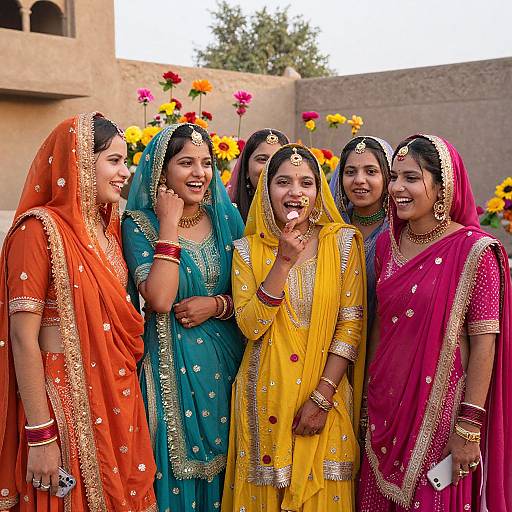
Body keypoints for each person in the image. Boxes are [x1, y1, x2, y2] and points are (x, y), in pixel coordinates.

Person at [0, 113, 157, 511]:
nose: (125, 172)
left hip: (118, 394)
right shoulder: (38, 231)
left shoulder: (108, 229)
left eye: (126, 161)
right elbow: (22, 337)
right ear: (79, 161)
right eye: (114, 161)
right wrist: (41, 434)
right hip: (62, 398)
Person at [358, 135, 512, 511]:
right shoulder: (386, 245)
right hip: (384, 409)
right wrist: (364, 403)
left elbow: (484, 345)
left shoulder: (476, 252)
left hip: (441, 416)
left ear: (444, 186)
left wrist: (468, 427)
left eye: (411, 178)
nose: (396, 189)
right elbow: (380, 327)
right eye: (394, 178)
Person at [222, 144, 367, 512]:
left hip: (326, 396)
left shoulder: (343, 243)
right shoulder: (245, 250)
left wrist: (321, 398)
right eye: (283, 182)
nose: (295, 193)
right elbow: (251, 325)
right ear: (266, 190)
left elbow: (350, 327)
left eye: (306, 183)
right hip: (265, 398)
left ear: (319, 192)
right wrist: (283, 261)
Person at [122, 123, 245, 512]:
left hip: (228, 366)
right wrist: (169, 222)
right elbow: (159, 297)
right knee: (172, 478)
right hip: (168, 371)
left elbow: (252, 295)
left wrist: (217, 305)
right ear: (162, 171)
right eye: (186, 163)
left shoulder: (228, 219)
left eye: (207, 163)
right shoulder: (139, 224)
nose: (200, 173)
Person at [226, 128, 289, 222]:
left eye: (278, 160)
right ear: (246, 169)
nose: (270, 167)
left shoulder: (299, 214)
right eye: (263, 159)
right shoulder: (228, 217)